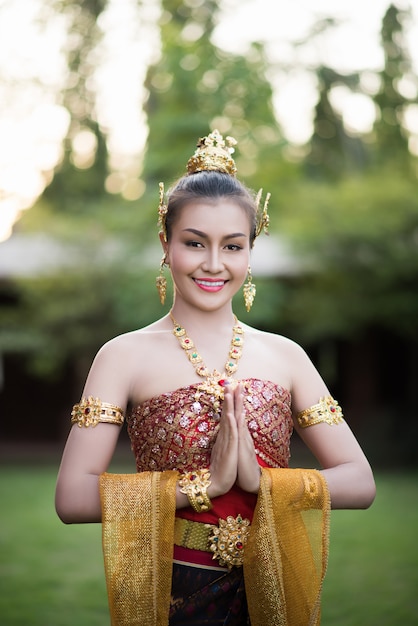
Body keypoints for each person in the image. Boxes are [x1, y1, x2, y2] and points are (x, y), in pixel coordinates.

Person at [55, 129, 376, 626]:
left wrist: (258, 482)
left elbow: (360, 482)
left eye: (232, 246)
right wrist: (205, 485)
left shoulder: (286, 356)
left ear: (251, 251)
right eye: (194, 243)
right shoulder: (122, 356)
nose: (213, 264)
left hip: (271, 585)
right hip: (177, 591)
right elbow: (72, 497)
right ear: (166, 244)